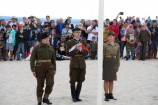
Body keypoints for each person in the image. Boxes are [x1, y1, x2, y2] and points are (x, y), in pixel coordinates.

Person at [30, 32, 56, 105]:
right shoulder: (36, 47)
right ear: (42, 39)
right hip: (39, 67)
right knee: (40, 84)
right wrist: (32, 70)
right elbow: (32, 59)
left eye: (48, 38)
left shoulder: (51, 47)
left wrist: (55, 69)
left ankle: (46, 98)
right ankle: (39, 100)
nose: (48, 40)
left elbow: (53, 59)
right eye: (46, 38)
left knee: (50, 83)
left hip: (50, 67)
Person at [66, 28, 88, 102]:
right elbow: (68, 53)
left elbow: (86, 53)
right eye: (76, 32)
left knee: (80, 80)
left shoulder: (83, 42)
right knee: (73, 80)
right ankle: (73, 97)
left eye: (79, 32)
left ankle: (77, 96)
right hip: (74, 63)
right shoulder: (70, 42)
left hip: (82, 63)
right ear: (73, 33)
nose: (78, 34)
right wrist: (76, 49)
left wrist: (81, 50)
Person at [103, 31, 120, 101]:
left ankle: (111, 94)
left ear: (114, 37)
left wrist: (118, 64)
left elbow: (118, 56)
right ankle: (106, 95)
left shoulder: (117, 45)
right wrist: (102, 65)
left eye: (111, 36)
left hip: (114, 61)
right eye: (109, 37)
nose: (110, 38)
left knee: (112, 79)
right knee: (106, 79)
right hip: (107, 61)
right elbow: (103, 55)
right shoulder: (105, 45)